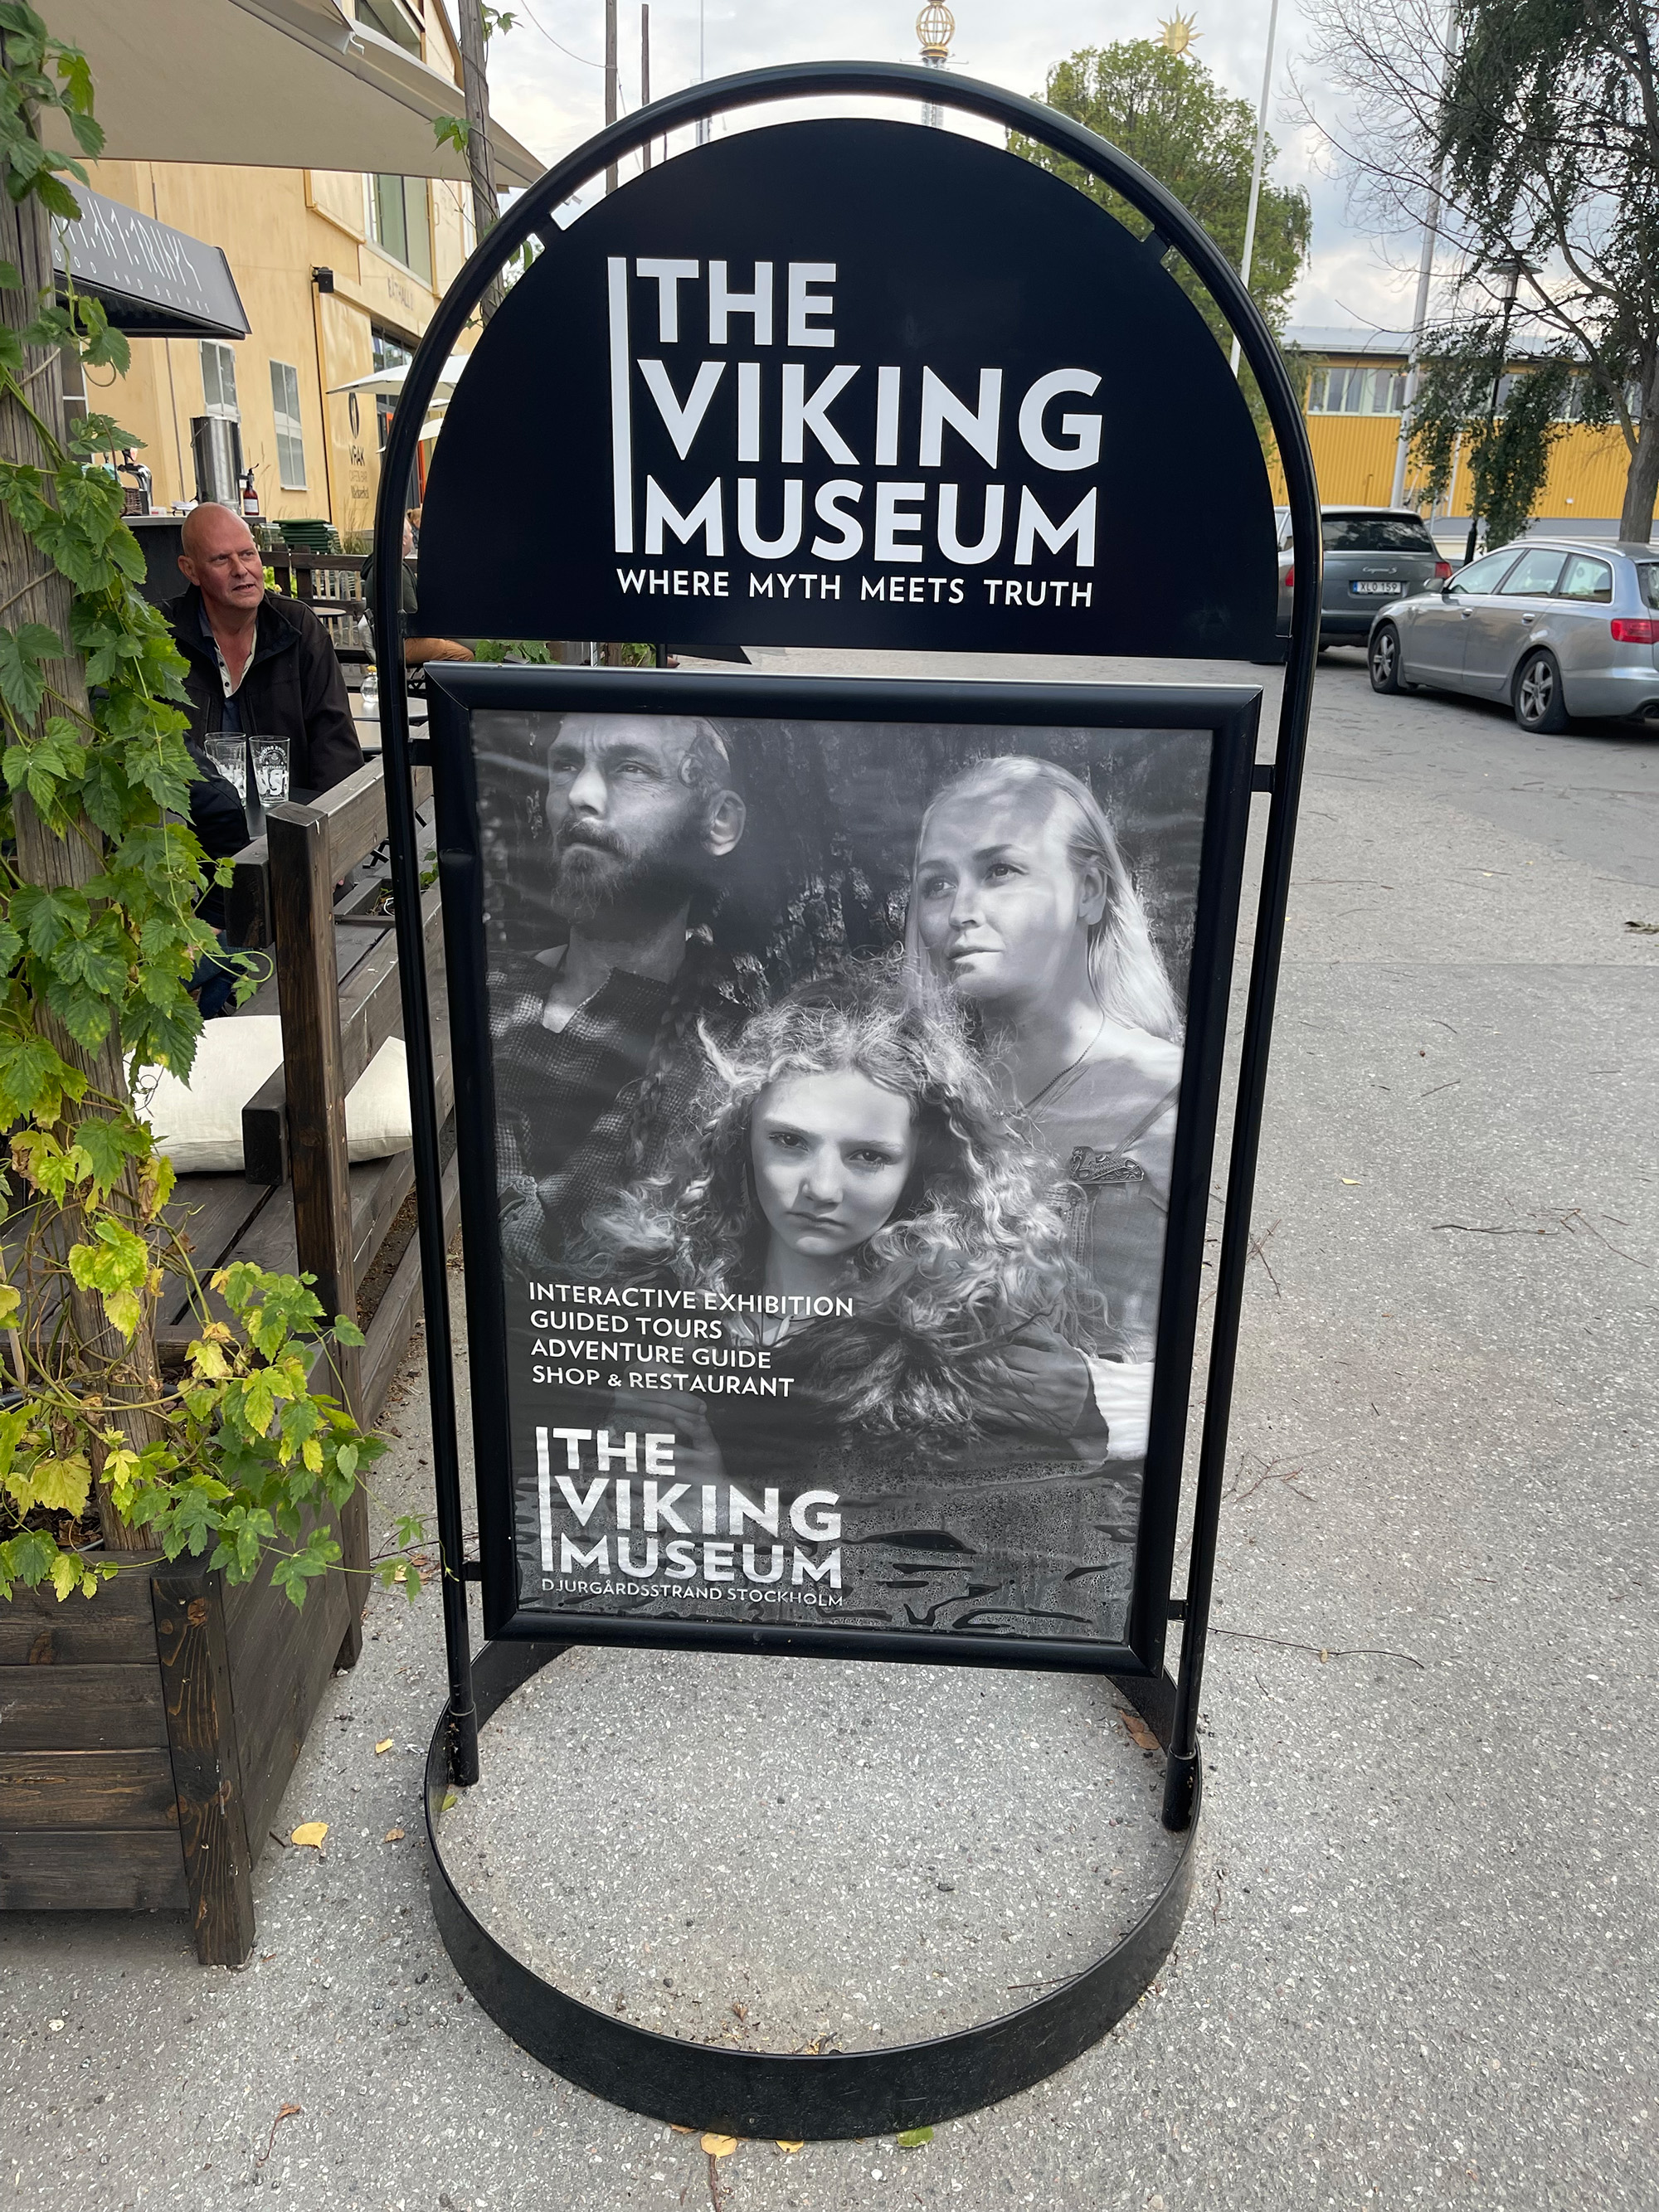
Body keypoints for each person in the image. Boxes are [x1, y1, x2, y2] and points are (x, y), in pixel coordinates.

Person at [591, 966, 1107, 1457]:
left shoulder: (967, 1353)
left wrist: (729, 1504)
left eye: (868, 1156)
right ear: (740, 1138)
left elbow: (1009, 1517)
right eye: (789, 1141)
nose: (821, 1188)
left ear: (924, 1165)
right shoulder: (643, 1306)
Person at [907, 755, 1184, 1388]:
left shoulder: (1167, 1097)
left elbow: (1181, 1371)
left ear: (1089, 891)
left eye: (1000, 870)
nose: (961, 910)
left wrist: (1090, 1397)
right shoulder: (912, 1091)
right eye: (936, 883)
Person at [490, 710, 754, 1271]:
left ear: (719, 821)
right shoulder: (486, 994)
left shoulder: (737, 1060)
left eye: (631, 768)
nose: (580, 795)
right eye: (565, 765)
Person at [167, 502, 362, 802]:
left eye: (248, 554)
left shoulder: (298, 628)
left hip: (291, 819)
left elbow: (335, 747)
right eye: (221, 559)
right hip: (193, 825)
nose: (240, 570)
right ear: (190, 570)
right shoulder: (162, 635)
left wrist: (320, 824)